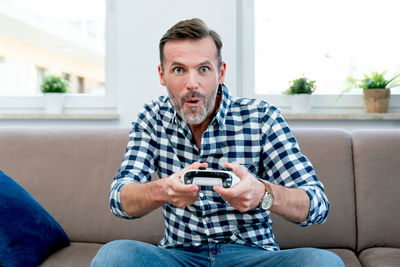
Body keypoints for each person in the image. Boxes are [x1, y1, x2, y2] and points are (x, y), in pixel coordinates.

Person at [91, 18, 344, 267]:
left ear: (220, 72)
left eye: (203, 69)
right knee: (114, 256)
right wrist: (163, 190)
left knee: (323, 262)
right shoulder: (152, 118)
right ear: (162, 74)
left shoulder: (261, 117)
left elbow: (317, 205)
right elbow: (119, 199)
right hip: (179, 255)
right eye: (179, 69)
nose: (192, 84)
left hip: (252, 255)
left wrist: (262, 194)